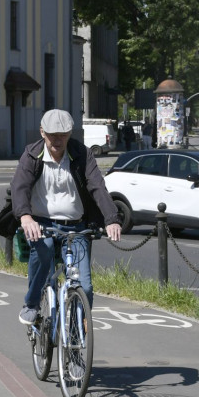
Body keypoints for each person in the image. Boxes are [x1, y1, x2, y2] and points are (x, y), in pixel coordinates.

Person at [11, 109, 122, 328]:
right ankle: (32, 304)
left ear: (70, 133)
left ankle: (75, 333)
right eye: (53, 134)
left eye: (62, 134)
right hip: (41, 224)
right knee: (43, 254)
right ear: (43, 132)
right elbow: (19, 187)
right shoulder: (32, 155)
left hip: (75, 226)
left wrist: (111, 218)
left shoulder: (82, 154)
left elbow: (97, 185)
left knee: (85, 286)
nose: (58, 140)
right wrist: (25, 217)